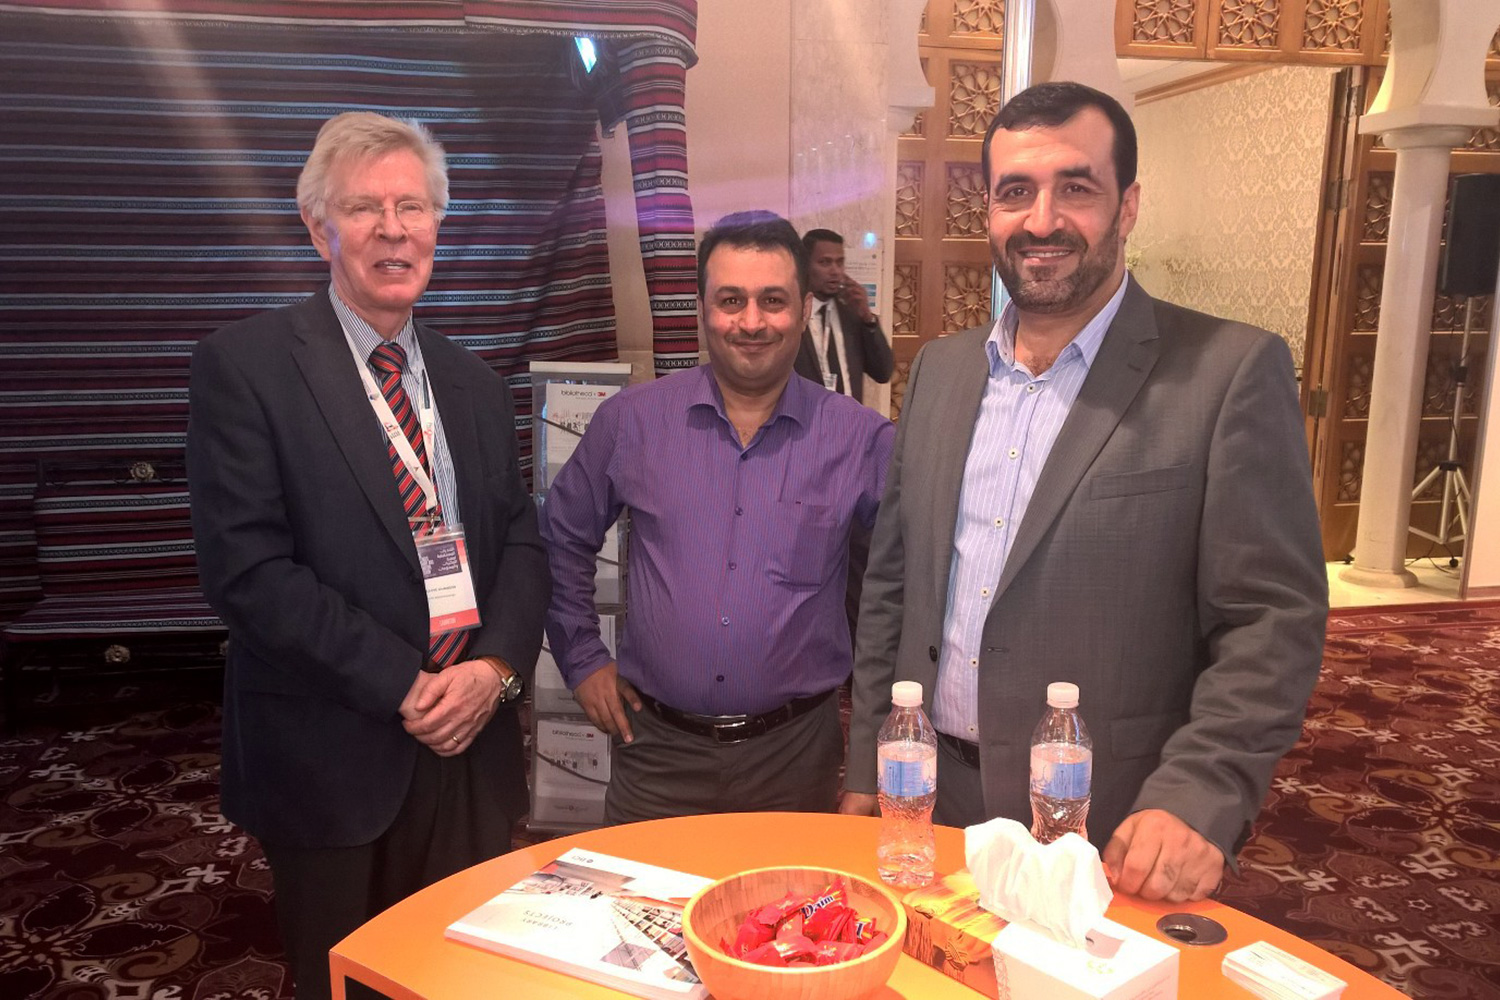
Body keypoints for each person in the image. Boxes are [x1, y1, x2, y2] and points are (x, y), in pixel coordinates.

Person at [840, 82, 1328, 904]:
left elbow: (1271, 619)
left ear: (1127, 205)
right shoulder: (941, 371)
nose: (1042, 221)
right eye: (1015, 192)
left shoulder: (1226, 373)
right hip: (930, 806)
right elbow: (892, 583)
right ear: (989, 210)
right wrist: (868, 763)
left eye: (1075, 188)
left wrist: (1201, 791)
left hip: (1113, 822)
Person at [187, 112, 548, 1000]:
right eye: (365, 208)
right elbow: (248, 574)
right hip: (334, 756)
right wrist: (404, 683)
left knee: (465, 979)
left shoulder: (475, 383)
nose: (394, 229)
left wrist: (495, 669)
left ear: (436, 226)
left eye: (412, 207)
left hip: (473, 743)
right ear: (320, 230)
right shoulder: (247, 367)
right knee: (352, 983)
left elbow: (519, 539)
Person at [540, 210, 895, 824]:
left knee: (786, 893)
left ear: (803, 309)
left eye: (772, 300)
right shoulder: (633, 421)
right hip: (655, 753)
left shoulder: (861, 439)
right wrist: (582, 657)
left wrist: (873, 752)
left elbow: (897, 596)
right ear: (703, 309)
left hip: (795, 758)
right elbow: (561, 536)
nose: (751, 322)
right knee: (639, 891)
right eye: (731, 300)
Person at [794, 228, 895, 403]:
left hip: (850, 418)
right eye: (825, 262)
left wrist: (868, 319)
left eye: (840, 263)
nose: (835, 271)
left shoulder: (851, 313)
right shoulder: (792, 316)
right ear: (804, 265)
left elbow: (883, 372)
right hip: (806, 417)